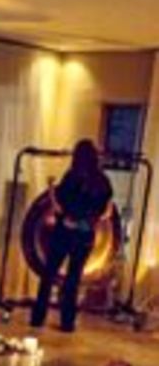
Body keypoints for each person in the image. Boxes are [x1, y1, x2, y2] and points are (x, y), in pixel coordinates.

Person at [31, 139, 113, 332]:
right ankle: (67, 323)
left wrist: (51, 188)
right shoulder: (103, 182)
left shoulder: (72, 177)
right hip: (85, 236)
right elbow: (106, 213)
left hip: (64, 233)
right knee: (73, 280)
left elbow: (58, 208)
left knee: (49, 275)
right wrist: (88, 220)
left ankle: (37, 319)